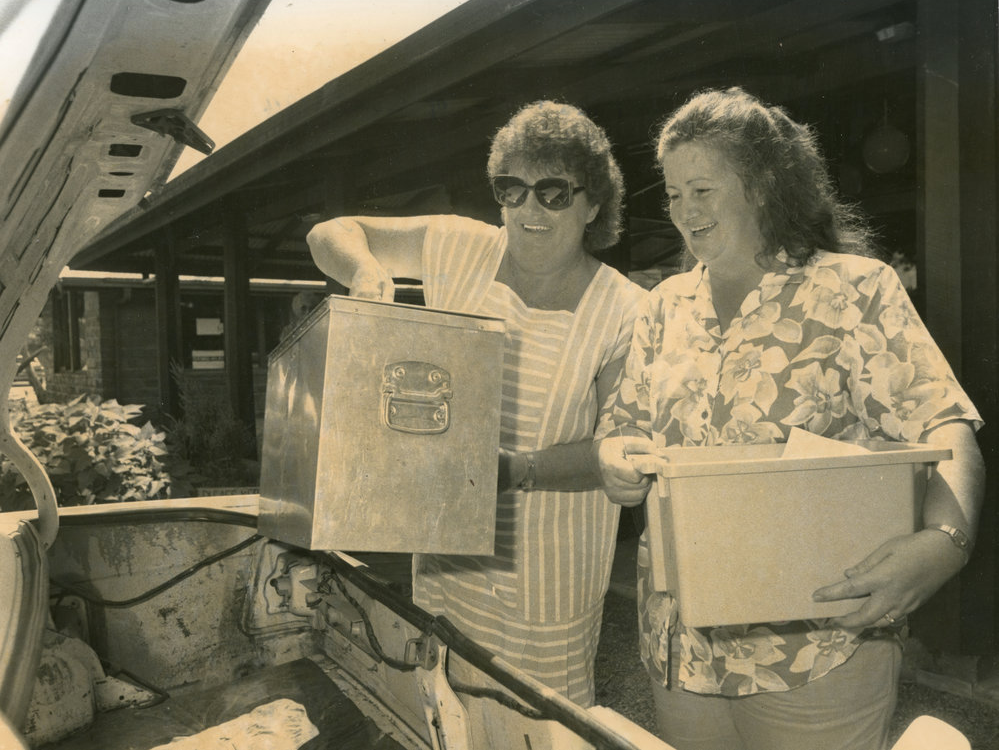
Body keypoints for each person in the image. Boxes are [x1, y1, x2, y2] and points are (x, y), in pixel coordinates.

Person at [595, 87, 985, 750]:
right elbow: (623, 427)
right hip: (680, 644)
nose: (684, 211)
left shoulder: (852, 290)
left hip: (818, 646)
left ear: (761, 184)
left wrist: (947, 539)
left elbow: (944, 425)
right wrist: (613, 458)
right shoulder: (662, 307)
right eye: (673, 193)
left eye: (702, 189)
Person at [307, 100, 645, 711]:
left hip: (550, 578)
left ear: (594, 204)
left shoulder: (626, 309)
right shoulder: (460, 247)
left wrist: (515, 470)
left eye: (553, 192)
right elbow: (329, 233)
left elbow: (618, 450)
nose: (528, 209)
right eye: (511, 189)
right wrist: (363, 275)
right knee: (445, 715)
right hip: (447, 566)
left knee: (539, 726)